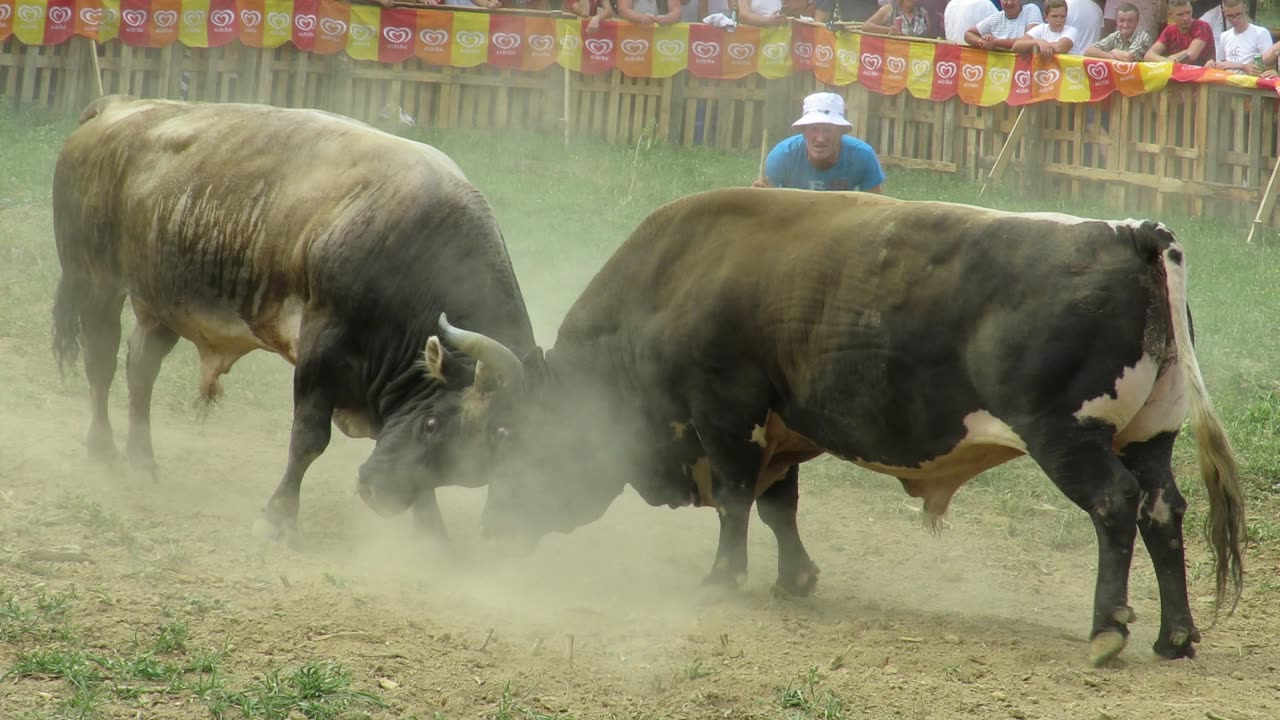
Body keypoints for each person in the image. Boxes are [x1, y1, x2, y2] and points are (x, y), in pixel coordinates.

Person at [752, 92, 885, 193]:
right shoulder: (783, 155)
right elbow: (765, 207)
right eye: (814, 129)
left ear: (841, 132)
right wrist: (758, 196)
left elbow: (876, 206)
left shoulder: (862, 155)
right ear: (803, 131)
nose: (820, 138)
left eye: (828, 130)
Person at [1206, 0, 1271, 73]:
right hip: (1228, 78)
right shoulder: (1224, 36)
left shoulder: (1260, 33)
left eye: (1238, 14)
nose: (1235, 20)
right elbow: (1221, 64)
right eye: (1230, 16)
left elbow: (1269, 66)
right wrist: (1212, 64)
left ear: (1245, 8)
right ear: (1223, 13)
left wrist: (1239, 66)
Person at [1144, 0, 1216, 64]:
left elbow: (1191, 55)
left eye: (1188, 12)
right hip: (1177, 71)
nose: (1185, 18)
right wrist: (1166, 60)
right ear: (1171, 15)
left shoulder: (1202, 27)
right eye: (1180, 14)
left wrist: (1172, 58)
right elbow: (1148, 55)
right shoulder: (1169, 30)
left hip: (1203, 71)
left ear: (1192, 9)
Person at [965, 0, 1045, 52]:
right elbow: (968, 34)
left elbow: (1029, 40)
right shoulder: (995, 18)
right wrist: (983, 42)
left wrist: (995, 42)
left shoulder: (1031, 9)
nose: (1009, 2)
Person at [1085, 2, 1154, 60]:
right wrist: (1111, 56)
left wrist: (1114, 51)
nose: (1125, 25)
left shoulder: (1143, 37)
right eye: (1122, 20)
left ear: (1137, 22)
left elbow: (1128, 57)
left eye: (1130, 21)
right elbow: (1089, 51)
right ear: (1117, 22)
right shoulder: (1115, 36)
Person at [1013, 0, 1079, 56]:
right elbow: (1016, 46)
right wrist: (1038, 42)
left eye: (1063, 16)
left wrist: (1038, 46)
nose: (1059, 20)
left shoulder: (1071, 30)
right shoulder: (1041, 28)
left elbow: (1060, 48)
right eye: (1055, 16)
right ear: (1046, 17)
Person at [864, 0, 935, 37]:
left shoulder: (923, 13)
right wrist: (887, 30)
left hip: (917, 57)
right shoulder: (889, 9)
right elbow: (866, 26)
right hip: (894, 56)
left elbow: (929, 37)